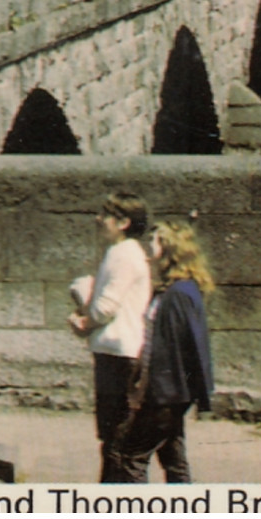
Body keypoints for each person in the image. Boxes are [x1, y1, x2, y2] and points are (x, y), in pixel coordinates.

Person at [113, 221, 215, 484]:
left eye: (156, 241)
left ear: (170, 248)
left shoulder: (179, 294)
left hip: (165, 394)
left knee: (132, 455)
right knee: (173, 458)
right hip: (169, 392)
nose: (150, 248)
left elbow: (179, 349)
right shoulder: (175, 290)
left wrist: (151, 391)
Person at [68, 191, 152, 482]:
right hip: (116, 352)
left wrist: (84, 323)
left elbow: (106, 307)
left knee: (117, 439)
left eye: (106, 215)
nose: (99, 219)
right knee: (113, 438)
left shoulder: (124, 254)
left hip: (119, 353)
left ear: (124, 222)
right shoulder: (121, 252)